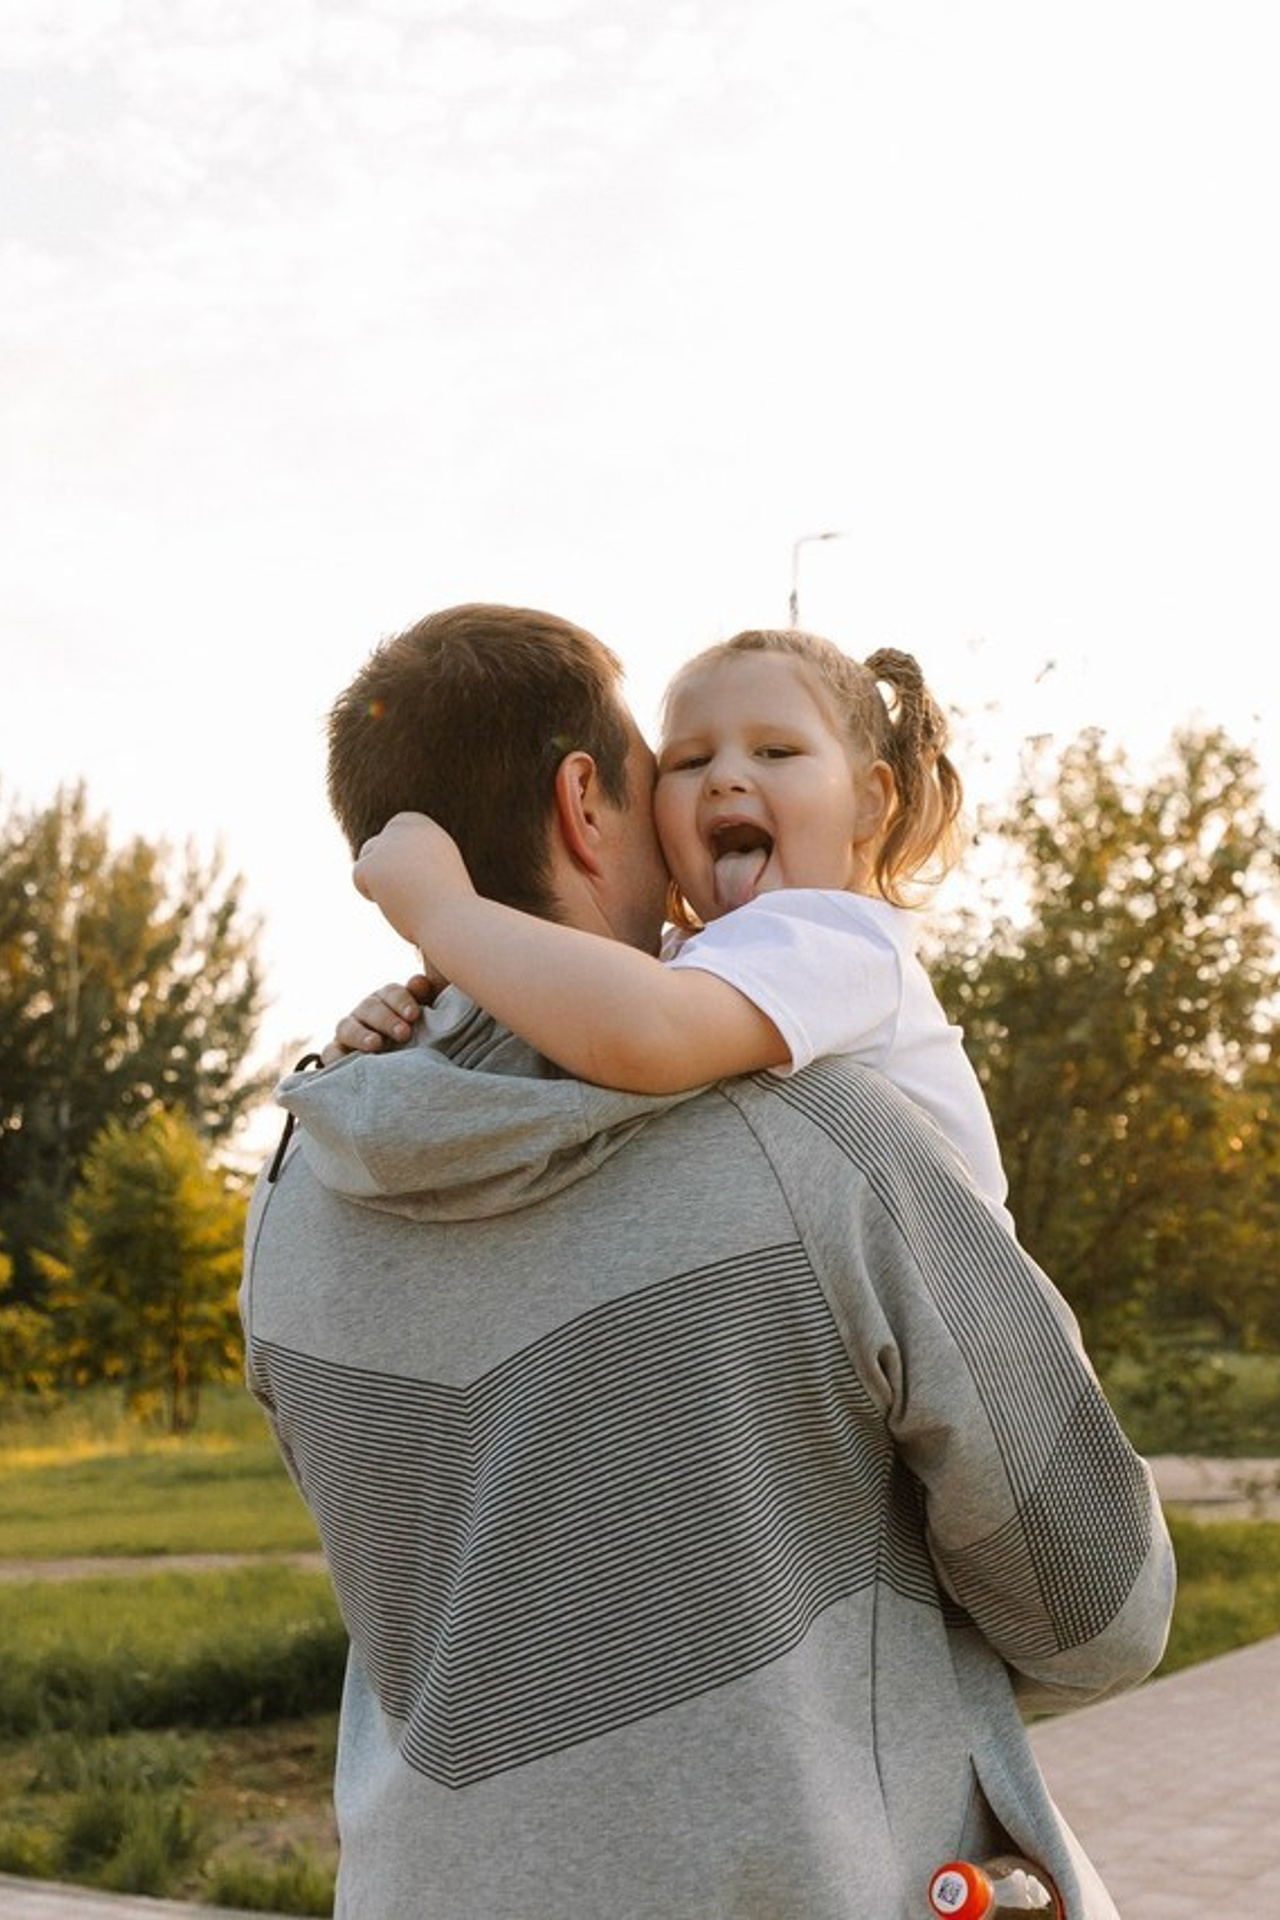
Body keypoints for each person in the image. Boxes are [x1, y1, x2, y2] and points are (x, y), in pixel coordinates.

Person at [241, 601, 1175, 1920]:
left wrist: (426, 968)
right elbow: (1096, 1614)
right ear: (585, 804)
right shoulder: (819, 1141)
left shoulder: (295, 1193)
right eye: (669, 768)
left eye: (771, 754)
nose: (714, 794)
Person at [348, 628, 1013, 1228]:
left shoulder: (840, 942)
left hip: (951, 1298)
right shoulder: (693, 965)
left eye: (776, 751)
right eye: (689, 762)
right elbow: (587, 996)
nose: (725, 778)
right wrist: (415, 1015)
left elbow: (643, 1033)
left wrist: (444, 913)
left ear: (868, 803)